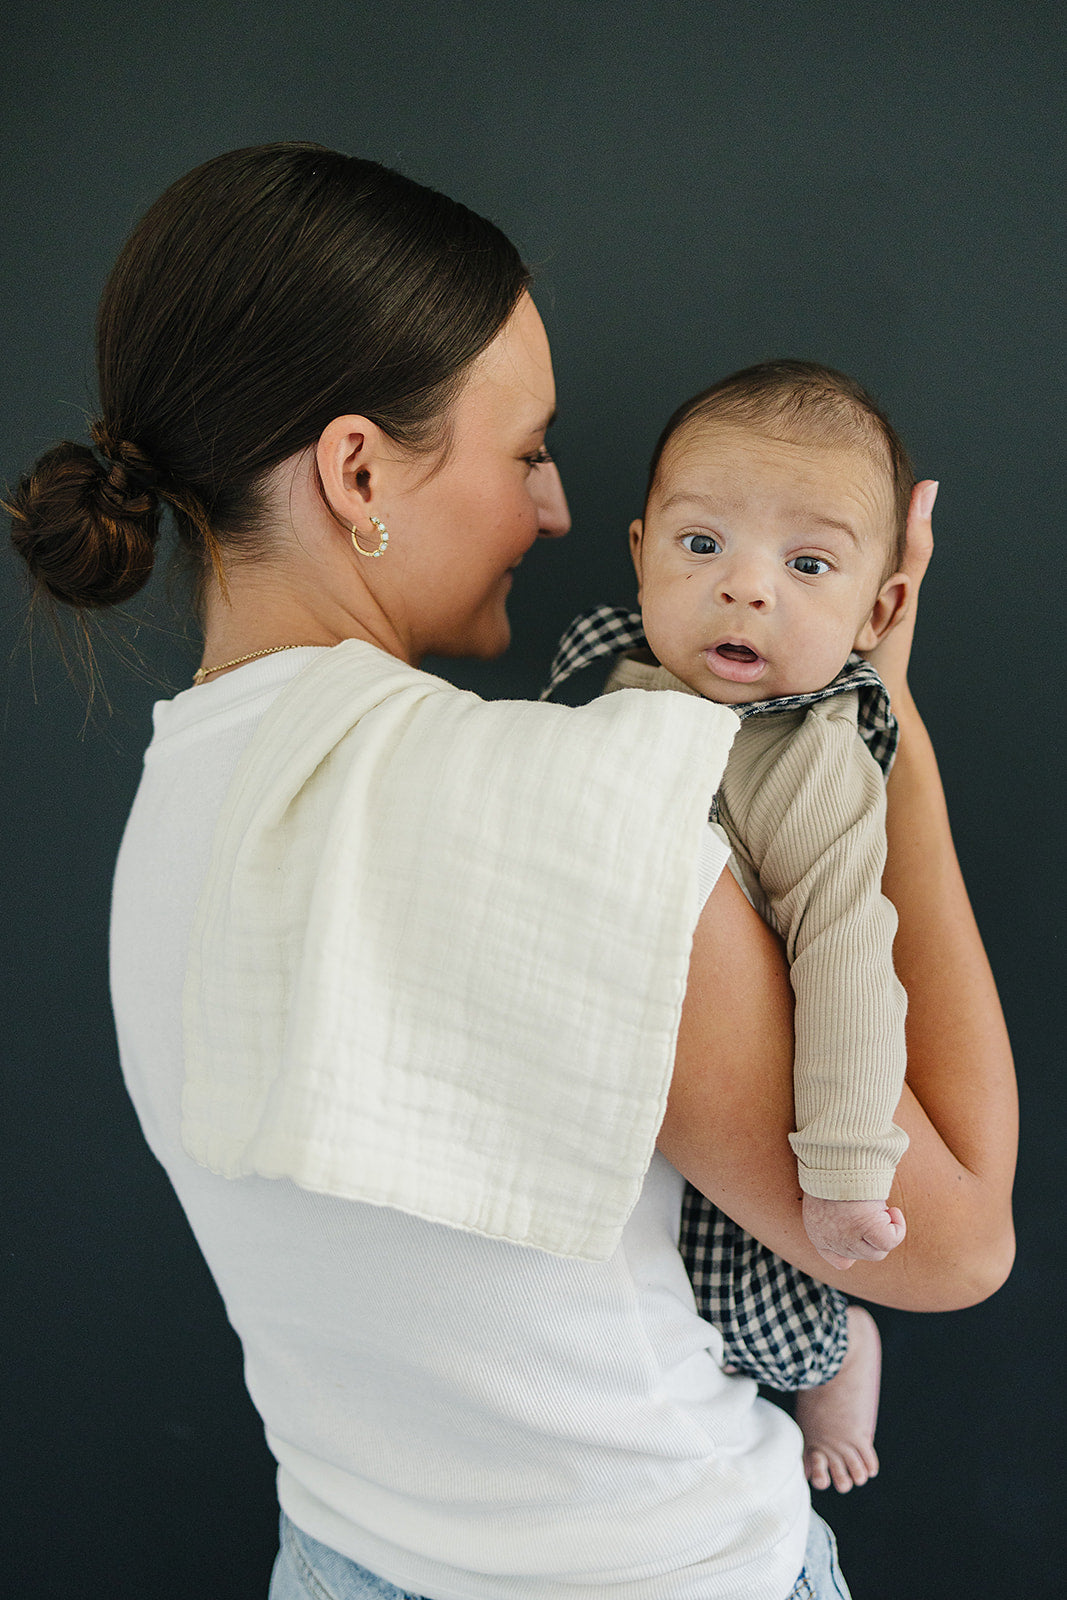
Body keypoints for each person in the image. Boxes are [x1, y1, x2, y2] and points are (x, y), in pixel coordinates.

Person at [6, 143, 1016, 1600]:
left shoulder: (179, 800)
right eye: (523, 449)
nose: (551, 509)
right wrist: (875, 711)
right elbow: (957, 1239)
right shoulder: (558, 805)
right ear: (358, 471)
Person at [545, 360, 925, 1491]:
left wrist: (848, 1163)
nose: (743, 589)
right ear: (638, 551)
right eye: (699, 544)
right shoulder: (601, 681)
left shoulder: (808, 759)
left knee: (762, 1305)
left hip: (758, 1093)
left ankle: (837, 1359)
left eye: (806, 565)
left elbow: (851, 956)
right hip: (610, 1070)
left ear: (876, 610)